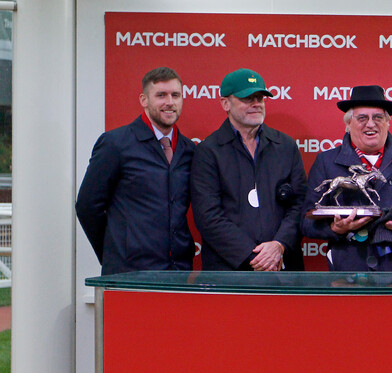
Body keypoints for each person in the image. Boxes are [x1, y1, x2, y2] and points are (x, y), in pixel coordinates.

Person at [301, 85, 392, 271]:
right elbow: (306, 222)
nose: (371, 124)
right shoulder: (326, 161)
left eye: (378, 117)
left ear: (388, 123)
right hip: (346, 269)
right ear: (348, 124)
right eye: (362, 118)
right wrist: (335, 229)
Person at [76, 67, 194, 274]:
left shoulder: (189, 150)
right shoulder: (115, 143)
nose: (170, 102)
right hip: (129, 272)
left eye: (175, 95)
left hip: (178, 271)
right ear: (144, 100)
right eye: (161, 95)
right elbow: (87, 206)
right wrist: (115, 251)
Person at [191, 68, 306, 271]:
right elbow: (208, 216)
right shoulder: (208, 151)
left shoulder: (286, 146)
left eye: (260, 98)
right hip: (229, 272)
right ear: (225, 103)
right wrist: (256, 258)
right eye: (247, 98)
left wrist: (279, 245)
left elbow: (299, 204)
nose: (256, 104)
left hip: (283, 268)